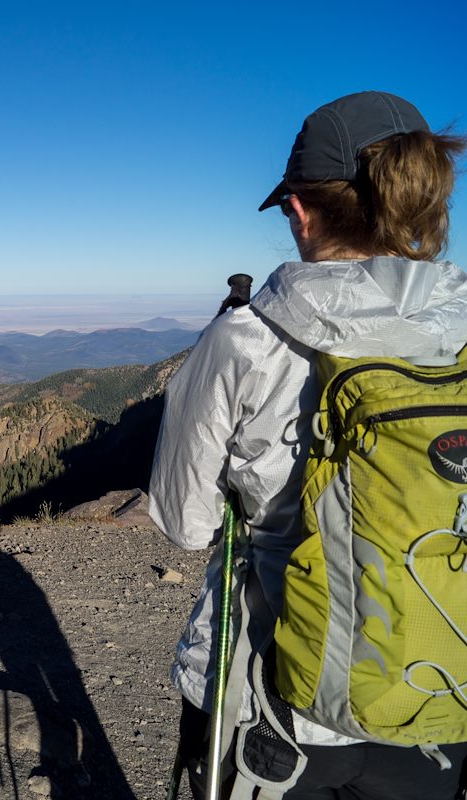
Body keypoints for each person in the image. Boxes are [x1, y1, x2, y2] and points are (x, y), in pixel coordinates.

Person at [149, 90, 467, 799]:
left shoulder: (246, 340)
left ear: (298, 207)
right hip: (434, 685)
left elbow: (185, 524)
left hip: (268, 696)